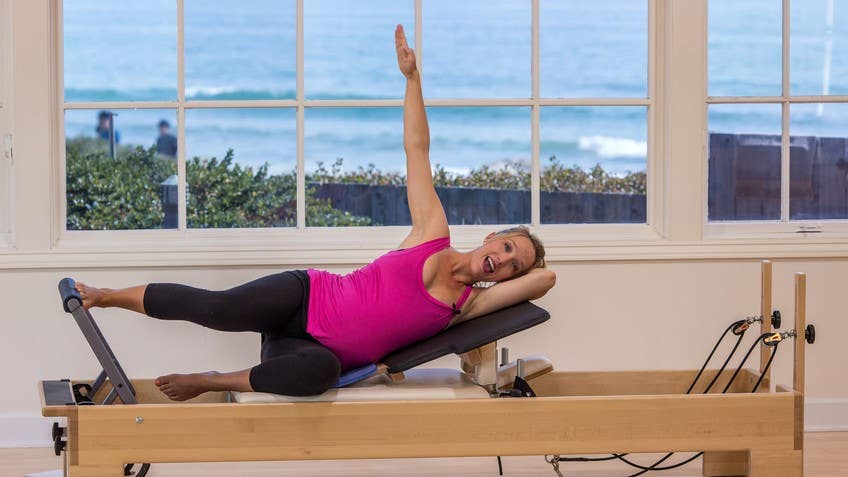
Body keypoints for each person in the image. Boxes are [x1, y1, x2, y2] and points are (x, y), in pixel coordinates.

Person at [74, 25, 556, 402]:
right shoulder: (433, 231)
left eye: (513, 265)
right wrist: (413, 80)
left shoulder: (468, 306)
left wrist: (527, 265)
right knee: (216, 309)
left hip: (310, 351)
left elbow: (544, 280)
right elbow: (417, 149)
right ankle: (105, 294)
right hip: (304, 296)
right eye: (508, 248)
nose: (506, 262)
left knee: (322, 375)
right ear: (493, 236)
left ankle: (216, 379)